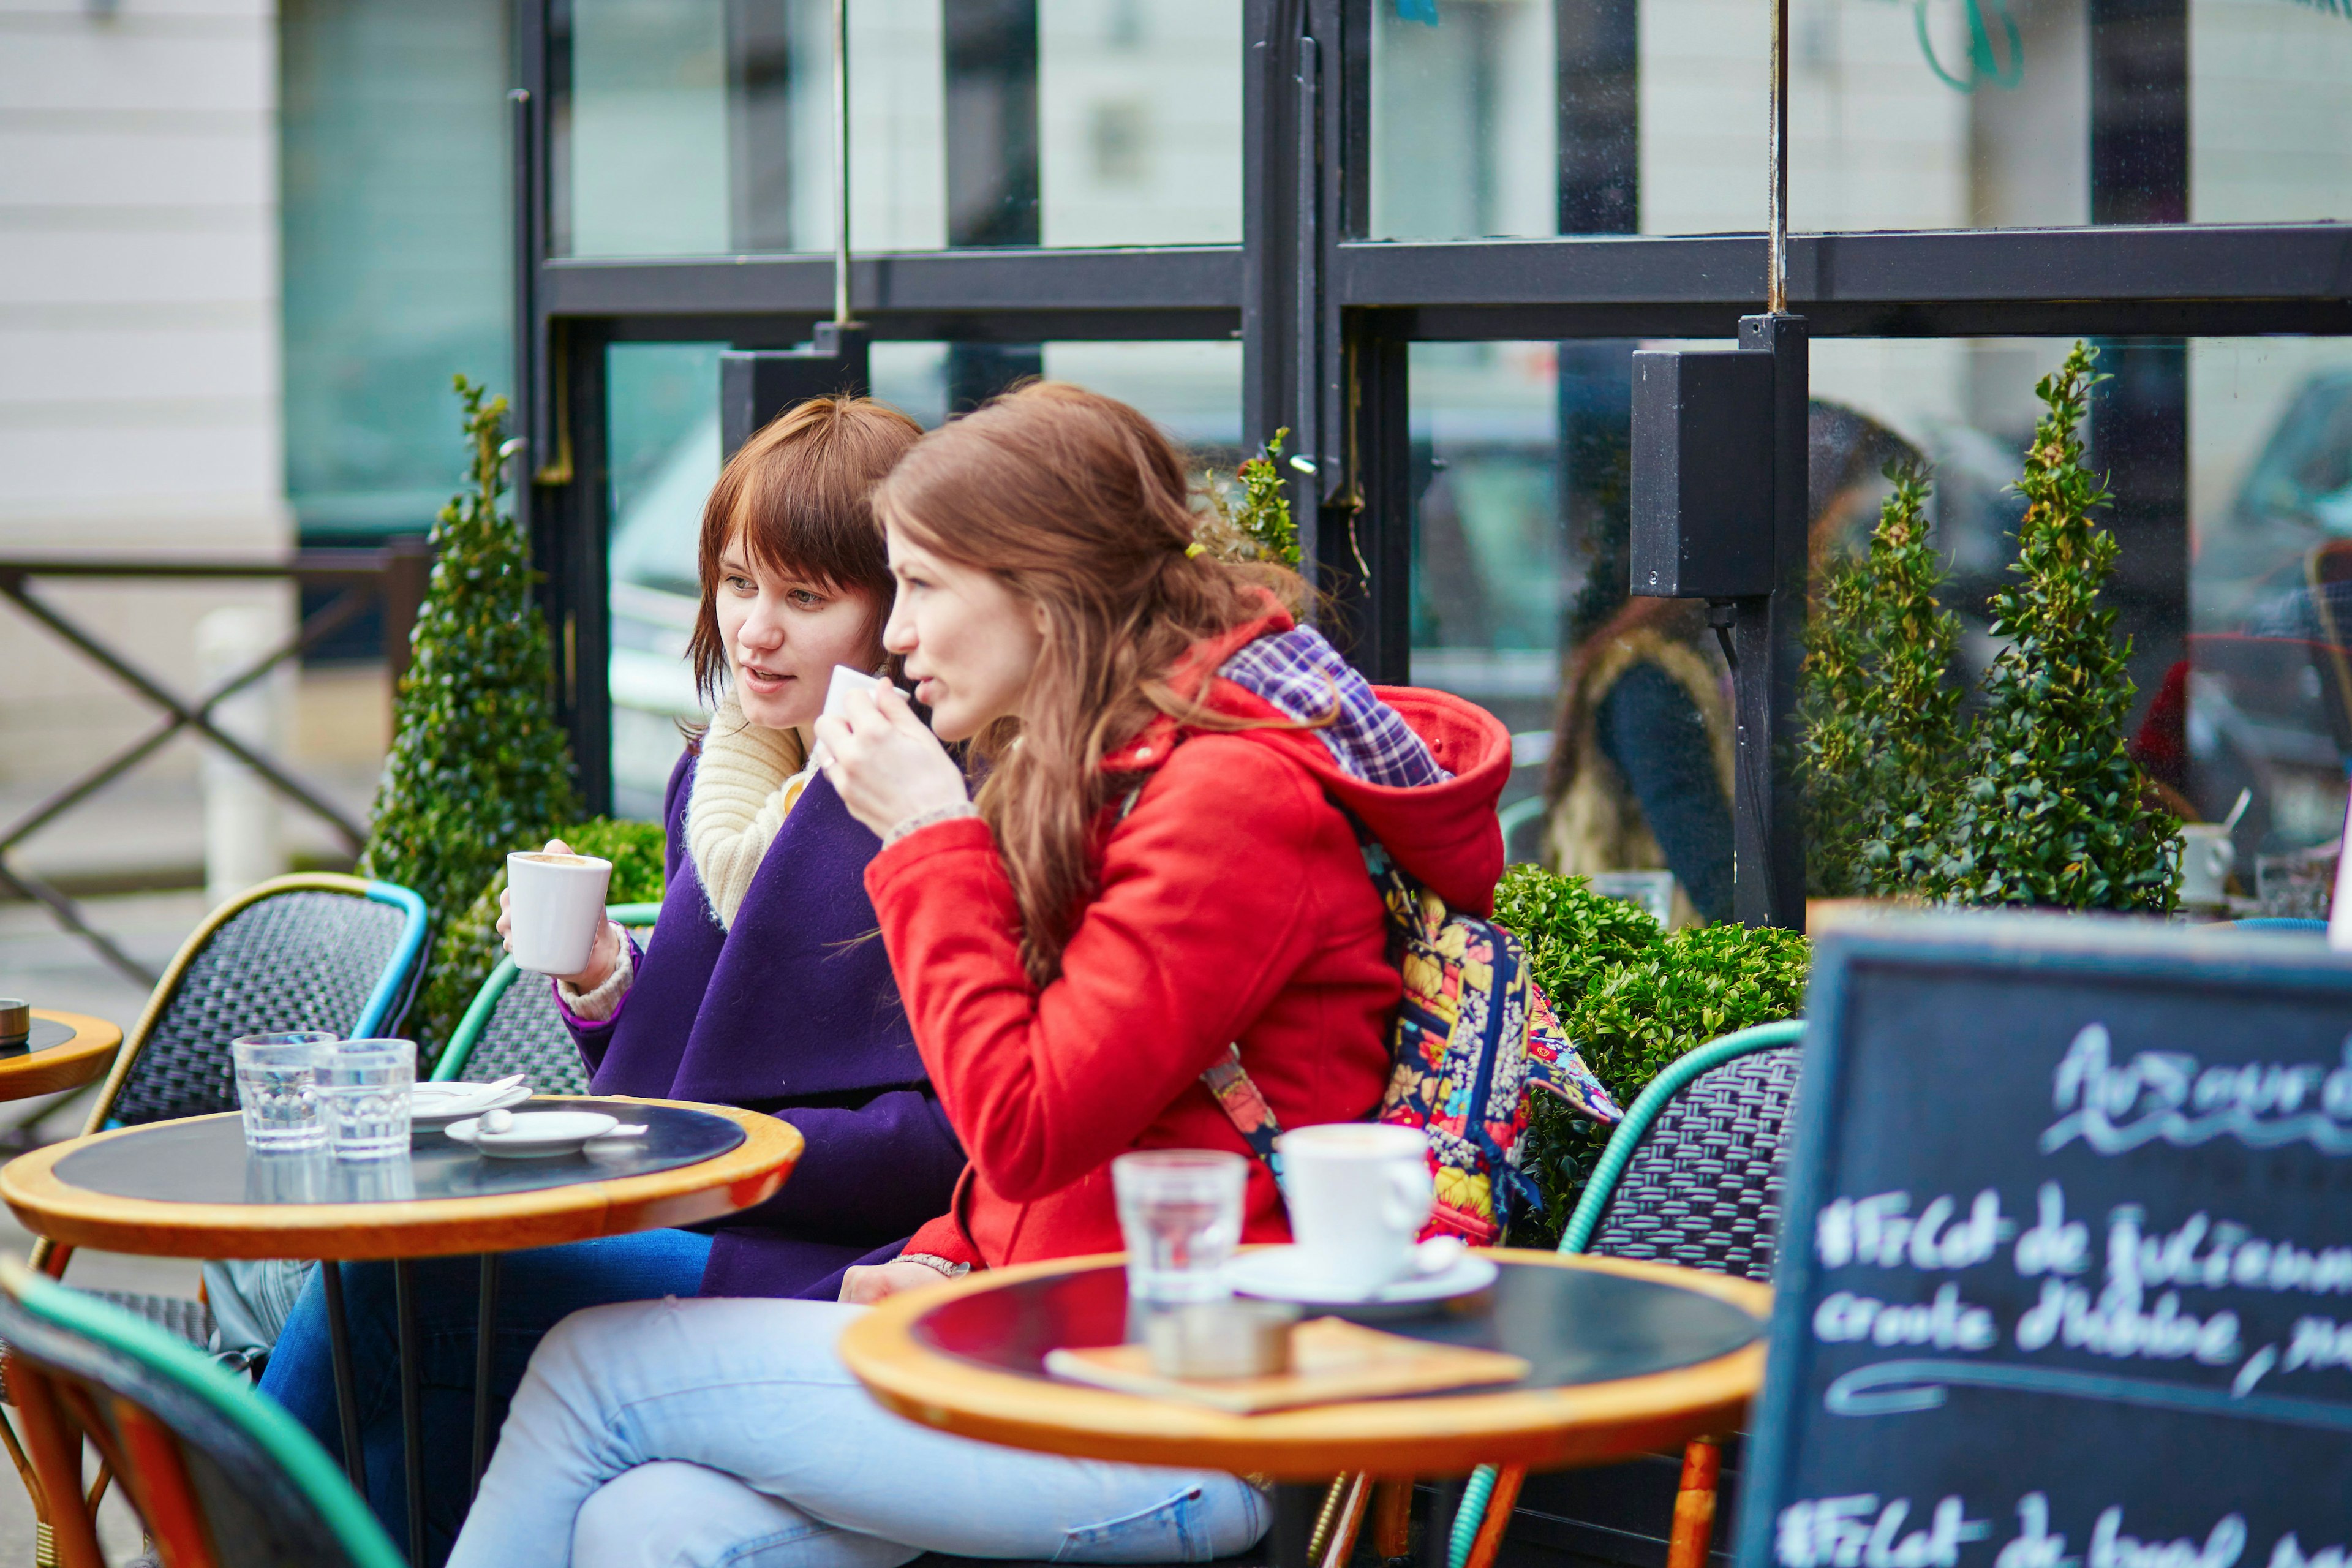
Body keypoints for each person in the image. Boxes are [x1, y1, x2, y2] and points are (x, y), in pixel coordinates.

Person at [443, 381, 1513, 1568]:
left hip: (1191, 1406)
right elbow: (1072, 1124)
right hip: (1043, 1336)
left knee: (591, 1368)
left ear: (1043, 595)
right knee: (646, 1521)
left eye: (922, 586)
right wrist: (945, 1253)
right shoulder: (1102, 775)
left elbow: (1022, 1120)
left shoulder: (1228, 805)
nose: (896, 634)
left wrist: (927, 839)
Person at [260, 395, 965, 1564]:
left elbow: (952, 1121)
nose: (755, 632)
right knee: (413, 1365)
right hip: (697, 1198)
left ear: (894, 604)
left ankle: (199, 1540)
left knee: (392, 1290)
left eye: (806, 597)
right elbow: (705, 1048)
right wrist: (604, 981)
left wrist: (725, 1150)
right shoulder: (730, 770)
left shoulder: (919, 798)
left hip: (831, 1252)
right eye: (738, 584)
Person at [1543, 399, 1918, 923]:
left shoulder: (1755, 660)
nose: (1841, 563)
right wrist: (1911, 917)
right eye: (1834, 536)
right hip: (1675, 984)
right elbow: (1725, 903)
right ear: (1781, 540)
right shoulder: (1647, 681)